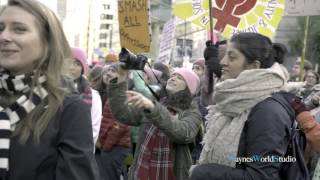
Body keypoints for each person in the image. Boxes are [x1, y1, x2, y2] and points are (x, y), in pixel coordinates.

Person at [0, 0, 99, 179]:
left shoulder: (70, 108)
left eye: (19, 29)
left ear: (48, 41)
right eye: (0, 28)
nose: (4, 36)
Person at [191, 32, 296, 180]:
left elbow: (260, 176)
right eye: (225, 55)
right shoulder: (233, 101)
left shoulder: (268, 111)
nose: (223, 62)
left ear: (254, 66)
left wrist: (203, 173)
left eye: (232, 57)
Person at [105, 64, 202, 180]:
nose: (173, 78)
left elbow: (183, 133)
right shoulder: (156, 102)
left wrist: (153, 108)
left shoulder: (192, 112)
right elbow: (123, 114)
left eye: (180, 78)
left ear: (189, 88)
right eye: (173, 75)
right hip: (140, 174)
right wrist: (119, 80)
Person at [69, 47, 102, 148]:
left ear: (83, 68)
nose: (71, 67)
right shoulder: (51, 91)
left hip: (77, 153)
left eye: (77, 64)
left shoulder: (93, 96)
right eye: (68, 62)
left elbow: (93, 131)